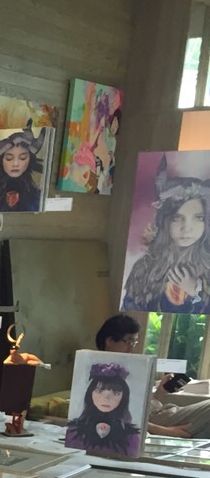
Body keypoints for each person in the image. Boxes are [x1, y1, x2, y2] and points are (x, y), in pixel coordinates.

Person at [96, 314, 210, 439]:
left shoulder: (126, 367)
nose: (132, 347)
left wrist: (160, 392)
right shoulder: (100, 370)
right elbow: (115, 417)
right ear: (109, 340)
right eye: (128, 341)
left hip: (160, 412)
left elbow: (139, 405)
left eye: (134, 342)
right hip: (154, 421)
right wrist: (168, 431)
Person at [121, 155, 210, 314]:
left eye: (198, 218)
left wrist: (196, 290)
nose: (187, 228)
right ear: (165, 221)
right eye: (177, 218)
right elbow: (129, 311)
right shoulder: (145, 266)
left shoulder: (207, 266)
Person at [65, 361, 141, 456]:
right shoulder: (73, 431)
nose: (106, 399)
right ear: (90, 394)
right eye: (99, 391)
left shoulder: (131, 437)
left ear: (123, 398)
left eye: (115, 393)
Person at [0, 121, 48, 213]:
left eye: (23, 158)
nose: (15, 164)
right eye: (9, 158)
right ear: (1, 160)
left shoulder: (38, 200)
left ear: (30, 160)